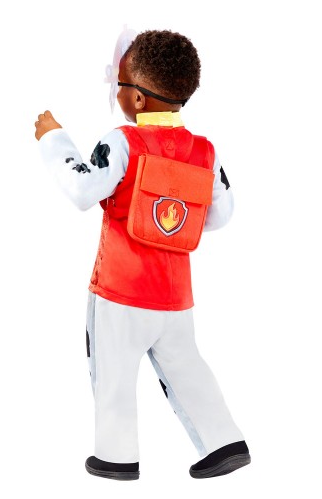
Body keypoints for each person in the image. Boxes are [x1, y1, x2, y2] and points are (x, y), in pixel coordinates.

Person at [34, 29, 250, 481]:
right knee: (187, 367)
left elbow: (83, 189)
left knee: (113, 374)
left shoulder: (122, 142)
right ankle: (224, 443)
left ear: (135, 98)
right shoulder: (204, 151)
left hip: (121, 289)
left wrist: (54, 140)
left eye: (118, 83)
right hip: (176, 296)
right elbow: (220, 214)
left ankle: (116, 457)